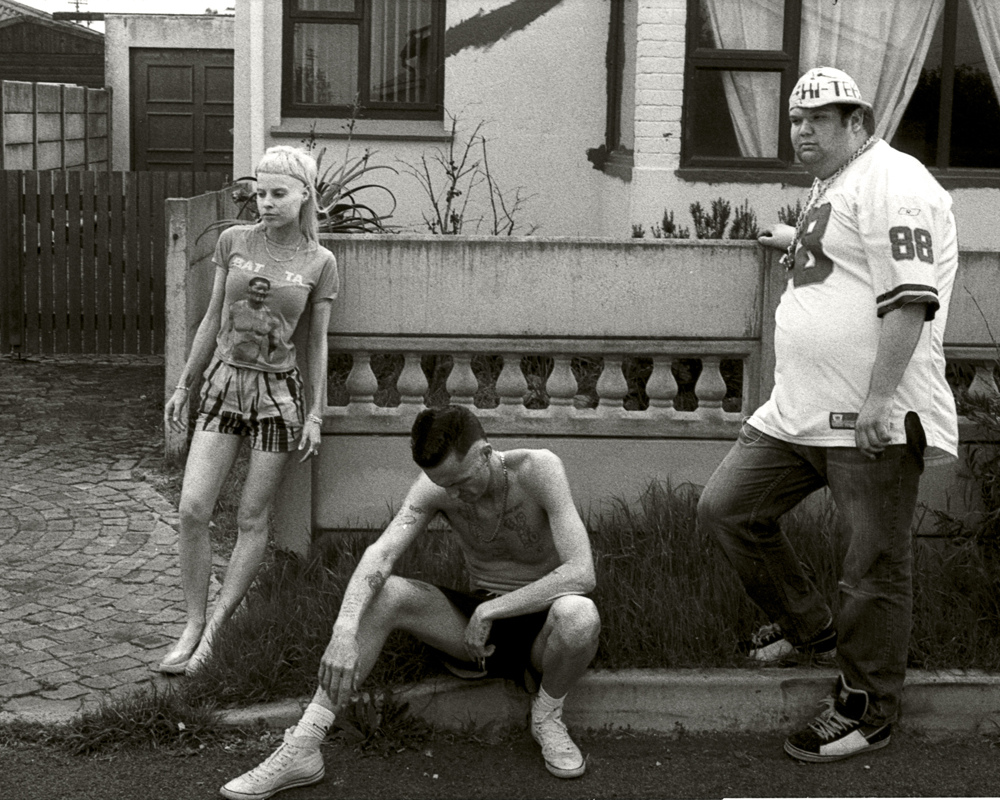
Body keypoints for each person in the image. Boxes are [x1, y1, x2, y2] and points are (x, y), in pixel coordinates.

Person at [698, 67, 958, 763]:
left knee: (871, 567)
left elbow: (910, 299)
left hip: (869, 417)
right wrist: (794, 239)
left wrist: (879, 402)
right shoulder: (836, 181)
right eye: (795, 119)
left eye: (819, 118)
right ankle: (812, 628)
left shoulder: (894, 182)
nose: (802, 130)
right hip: (798, 411)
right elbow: (850, 258)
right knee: (728, 509)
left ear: (857, 122)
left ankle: (867, 707)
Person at [220, 405, 601, 800]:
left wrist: (491, 610)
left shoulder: (538, 470)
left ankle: (547, 717)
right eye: (444, 486)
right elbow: (381, 554)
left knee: (580, 614)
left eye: (461, 482)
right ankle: (304, 744)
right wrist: (344, 631)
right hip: (475, 629)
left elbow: (581, 572)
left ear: (485, 453)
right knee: (388, 594)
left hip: (544, 626)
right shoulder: (438, 487)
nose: (453, 495)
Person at [158, 146, 338, 676]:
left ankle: (217, 628)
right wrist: (184, 384)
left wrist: (316, 414)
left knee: (251, 518)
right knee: (193, 509)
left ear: (304, 196)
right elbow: (212, 317)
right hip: (222, 387)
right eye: (260, 193)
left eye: (278, 193)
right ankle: (192, 621)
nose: (266, 202)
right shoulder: (233, 241)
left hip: (278, 399)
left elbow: (317, 344)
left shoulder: (320, 262)